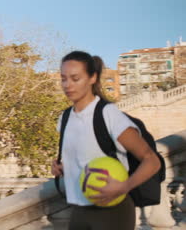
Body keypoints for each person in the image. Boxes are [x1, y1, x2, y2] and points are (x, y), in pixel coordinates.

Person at [51, 51, 161, 230]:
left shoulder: (107, 114)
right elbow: (84, 157)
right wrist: (60, 166)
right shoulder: (64, 118)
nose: (68, 85)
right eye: (64, 79)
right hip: (78, 211)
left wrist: (125, 186)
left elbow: (152, 161)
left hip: (113, 212)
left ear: (92, 78)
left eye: (75, 78)